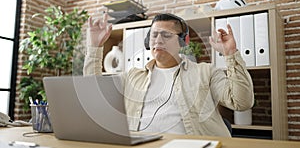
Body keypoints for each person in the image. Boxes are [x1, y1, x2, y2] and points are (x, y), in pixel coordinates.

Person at [83, 12, 254, 137]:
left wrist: (231, 54)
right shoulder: (132, 76)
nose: (158, 40)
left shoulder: (206, 72)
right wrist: (94, 47)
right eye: (154, 35)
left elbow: (242, 102)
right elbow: (94, 95)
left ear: (183, 41)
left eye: (166, 35)